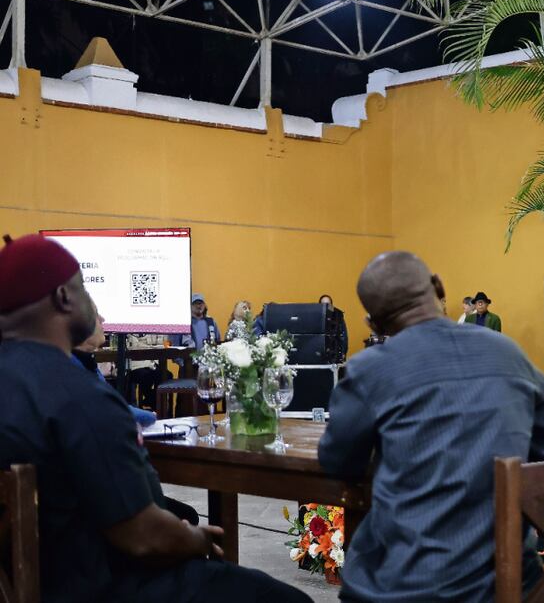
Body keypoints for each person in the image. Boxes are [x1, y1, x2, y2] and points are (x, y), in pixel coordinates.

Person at [0, 233, 311, 603]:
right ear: (64, 298)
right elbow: (143, 536)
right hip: (106, 586)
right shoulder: (77, 397)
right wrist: (194, 538)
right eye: (84, 286)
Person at [318, 251, 544, 602]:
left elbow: (338, 461)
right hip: (511, 582)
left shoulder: (371, 370)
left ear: (373, 324)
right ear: (438, 287)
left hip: (408, 586)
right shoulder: (509, 353)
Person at [74, 312, 157, 427]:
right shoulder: (74, 368)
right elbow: (108, 408)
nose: (102, 319)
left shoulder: (85, 361)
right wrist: (150, 416)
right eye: (94, 313)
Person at [319, 294, 349, 361]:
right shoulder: (317, 316)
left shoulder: (338, 315)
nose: (326, 306)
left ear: (331, 304)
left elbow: (343, 336)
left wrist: (343, 353)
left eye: (328, 303)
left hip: (335, 354)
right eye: (323, 304)